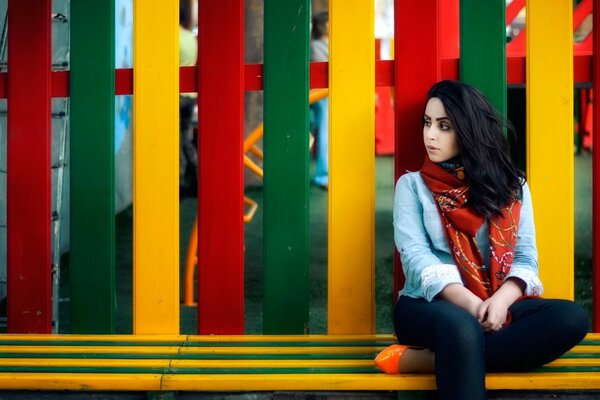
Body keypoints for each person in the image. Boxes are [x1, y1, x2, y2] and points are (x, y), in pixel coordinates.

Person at [375, 80, 589, 400]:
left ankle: (429, 361)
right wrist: (474, 306)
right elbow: (417, 258)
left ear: (468, 129)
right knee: (463, 329)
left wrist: (500, 302)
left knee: (571, 319)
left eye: (444, 126)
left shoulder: (512, 186)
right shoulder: (413, 186)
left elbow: (526, 254)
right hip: (428, 306)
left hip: (496, 301)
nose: (430, 134)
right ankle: (460, 348)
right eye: (427, 123)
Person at [179, 0, 198, 198]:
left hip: (174, 97)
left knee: (173, 142)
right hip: (189, 97)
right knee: (186, 141)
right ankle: (196, 179)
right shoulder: (189, 38)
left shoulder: (170, 37)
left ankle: (179, 185)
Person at [310, 11, 329, 190]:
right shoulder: (316, 46)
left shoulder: (328, 44)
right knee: (324, 133)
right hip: (322, 96)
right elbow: (321, 72)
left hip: (329, 96)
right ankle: (323, 175)